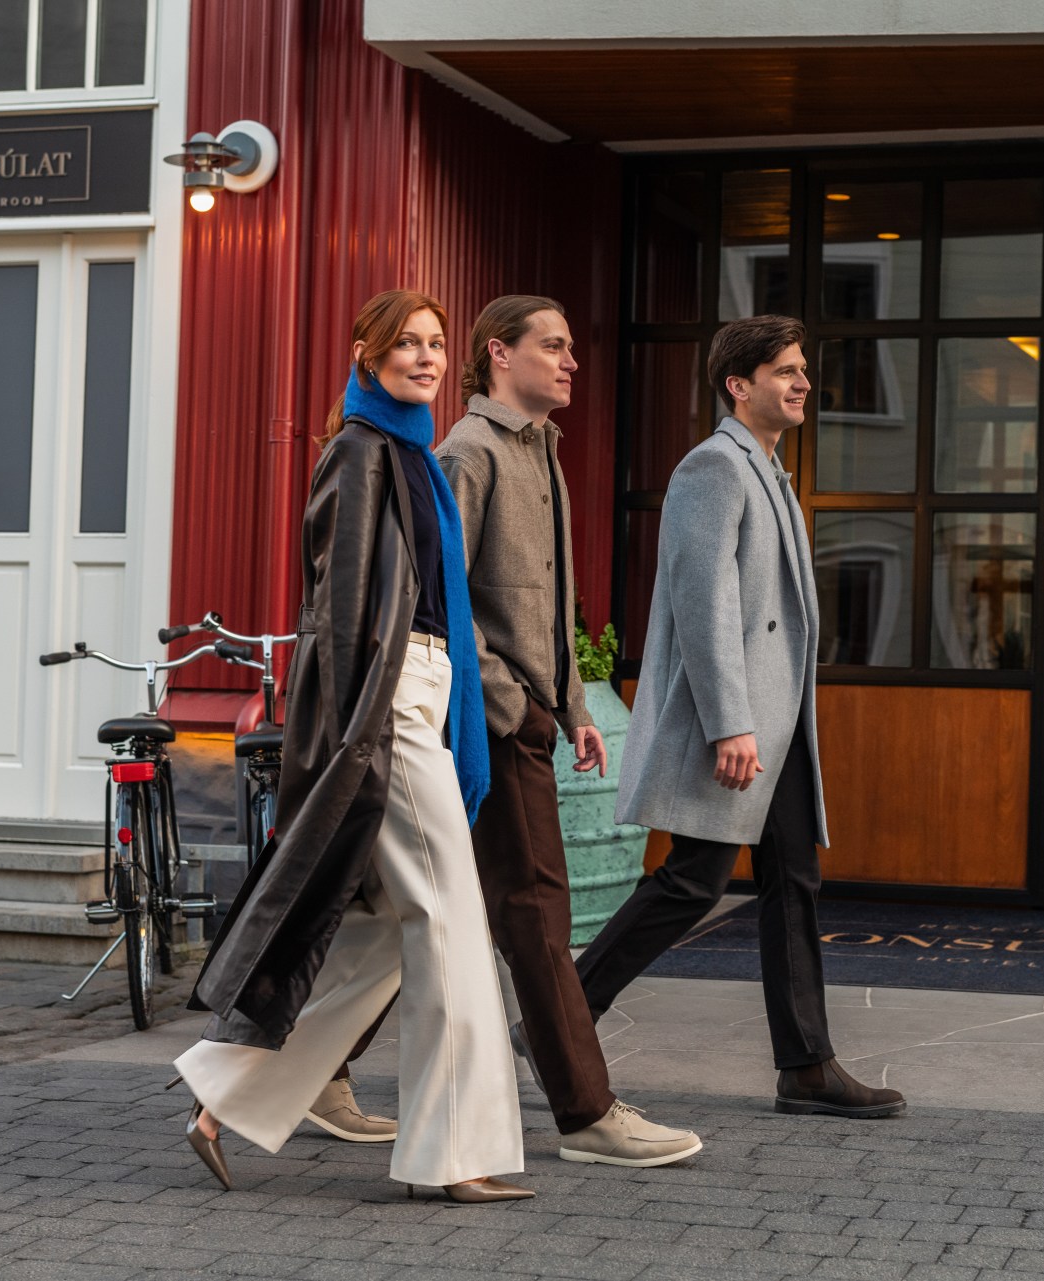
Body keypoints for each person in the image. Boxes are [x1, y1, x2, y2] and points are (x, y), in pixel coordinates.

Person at [171, 290, 531, 1203]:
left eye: (437, 343)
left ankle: (222, 1092)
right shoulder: (361, 454)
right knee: (451, 926)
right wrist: (353, 734)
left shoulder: (413, 455)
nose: (426, 356)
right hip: (391, 706)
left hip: (423, 693)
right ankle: (452, 1157)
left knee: (381, 939)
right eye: (406, 343)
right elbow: (335, 617)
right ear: (366, 355)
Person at [574, 314, 905, 1120]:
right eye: (785, 370)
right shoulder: (713, 468)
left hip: (781, 721)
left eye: (802, 369)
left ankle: (807, 1064)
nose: (802, 383)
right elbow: (703, 603)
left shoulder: (770, 471)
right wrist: (730, 721)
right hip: (743, 722)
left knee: (794, 879)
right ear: (738, 383)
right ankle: (560, 1018)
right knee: (693, 883)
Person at [437, 295, 703, 1168]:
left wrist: (580, 709)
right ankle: (589, 1114)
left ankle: (301, 1069)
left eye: (571, 346)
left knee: (413, 918)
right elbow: (441, 597)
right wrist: (511, 696)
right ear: (496, 355)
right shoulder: (468, 453)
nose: (571, 361)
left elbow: (551, 602)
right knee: (538, 914)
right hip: (493, 726)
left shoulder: (542, 453)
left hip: (535, 717)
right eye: (552, 346)